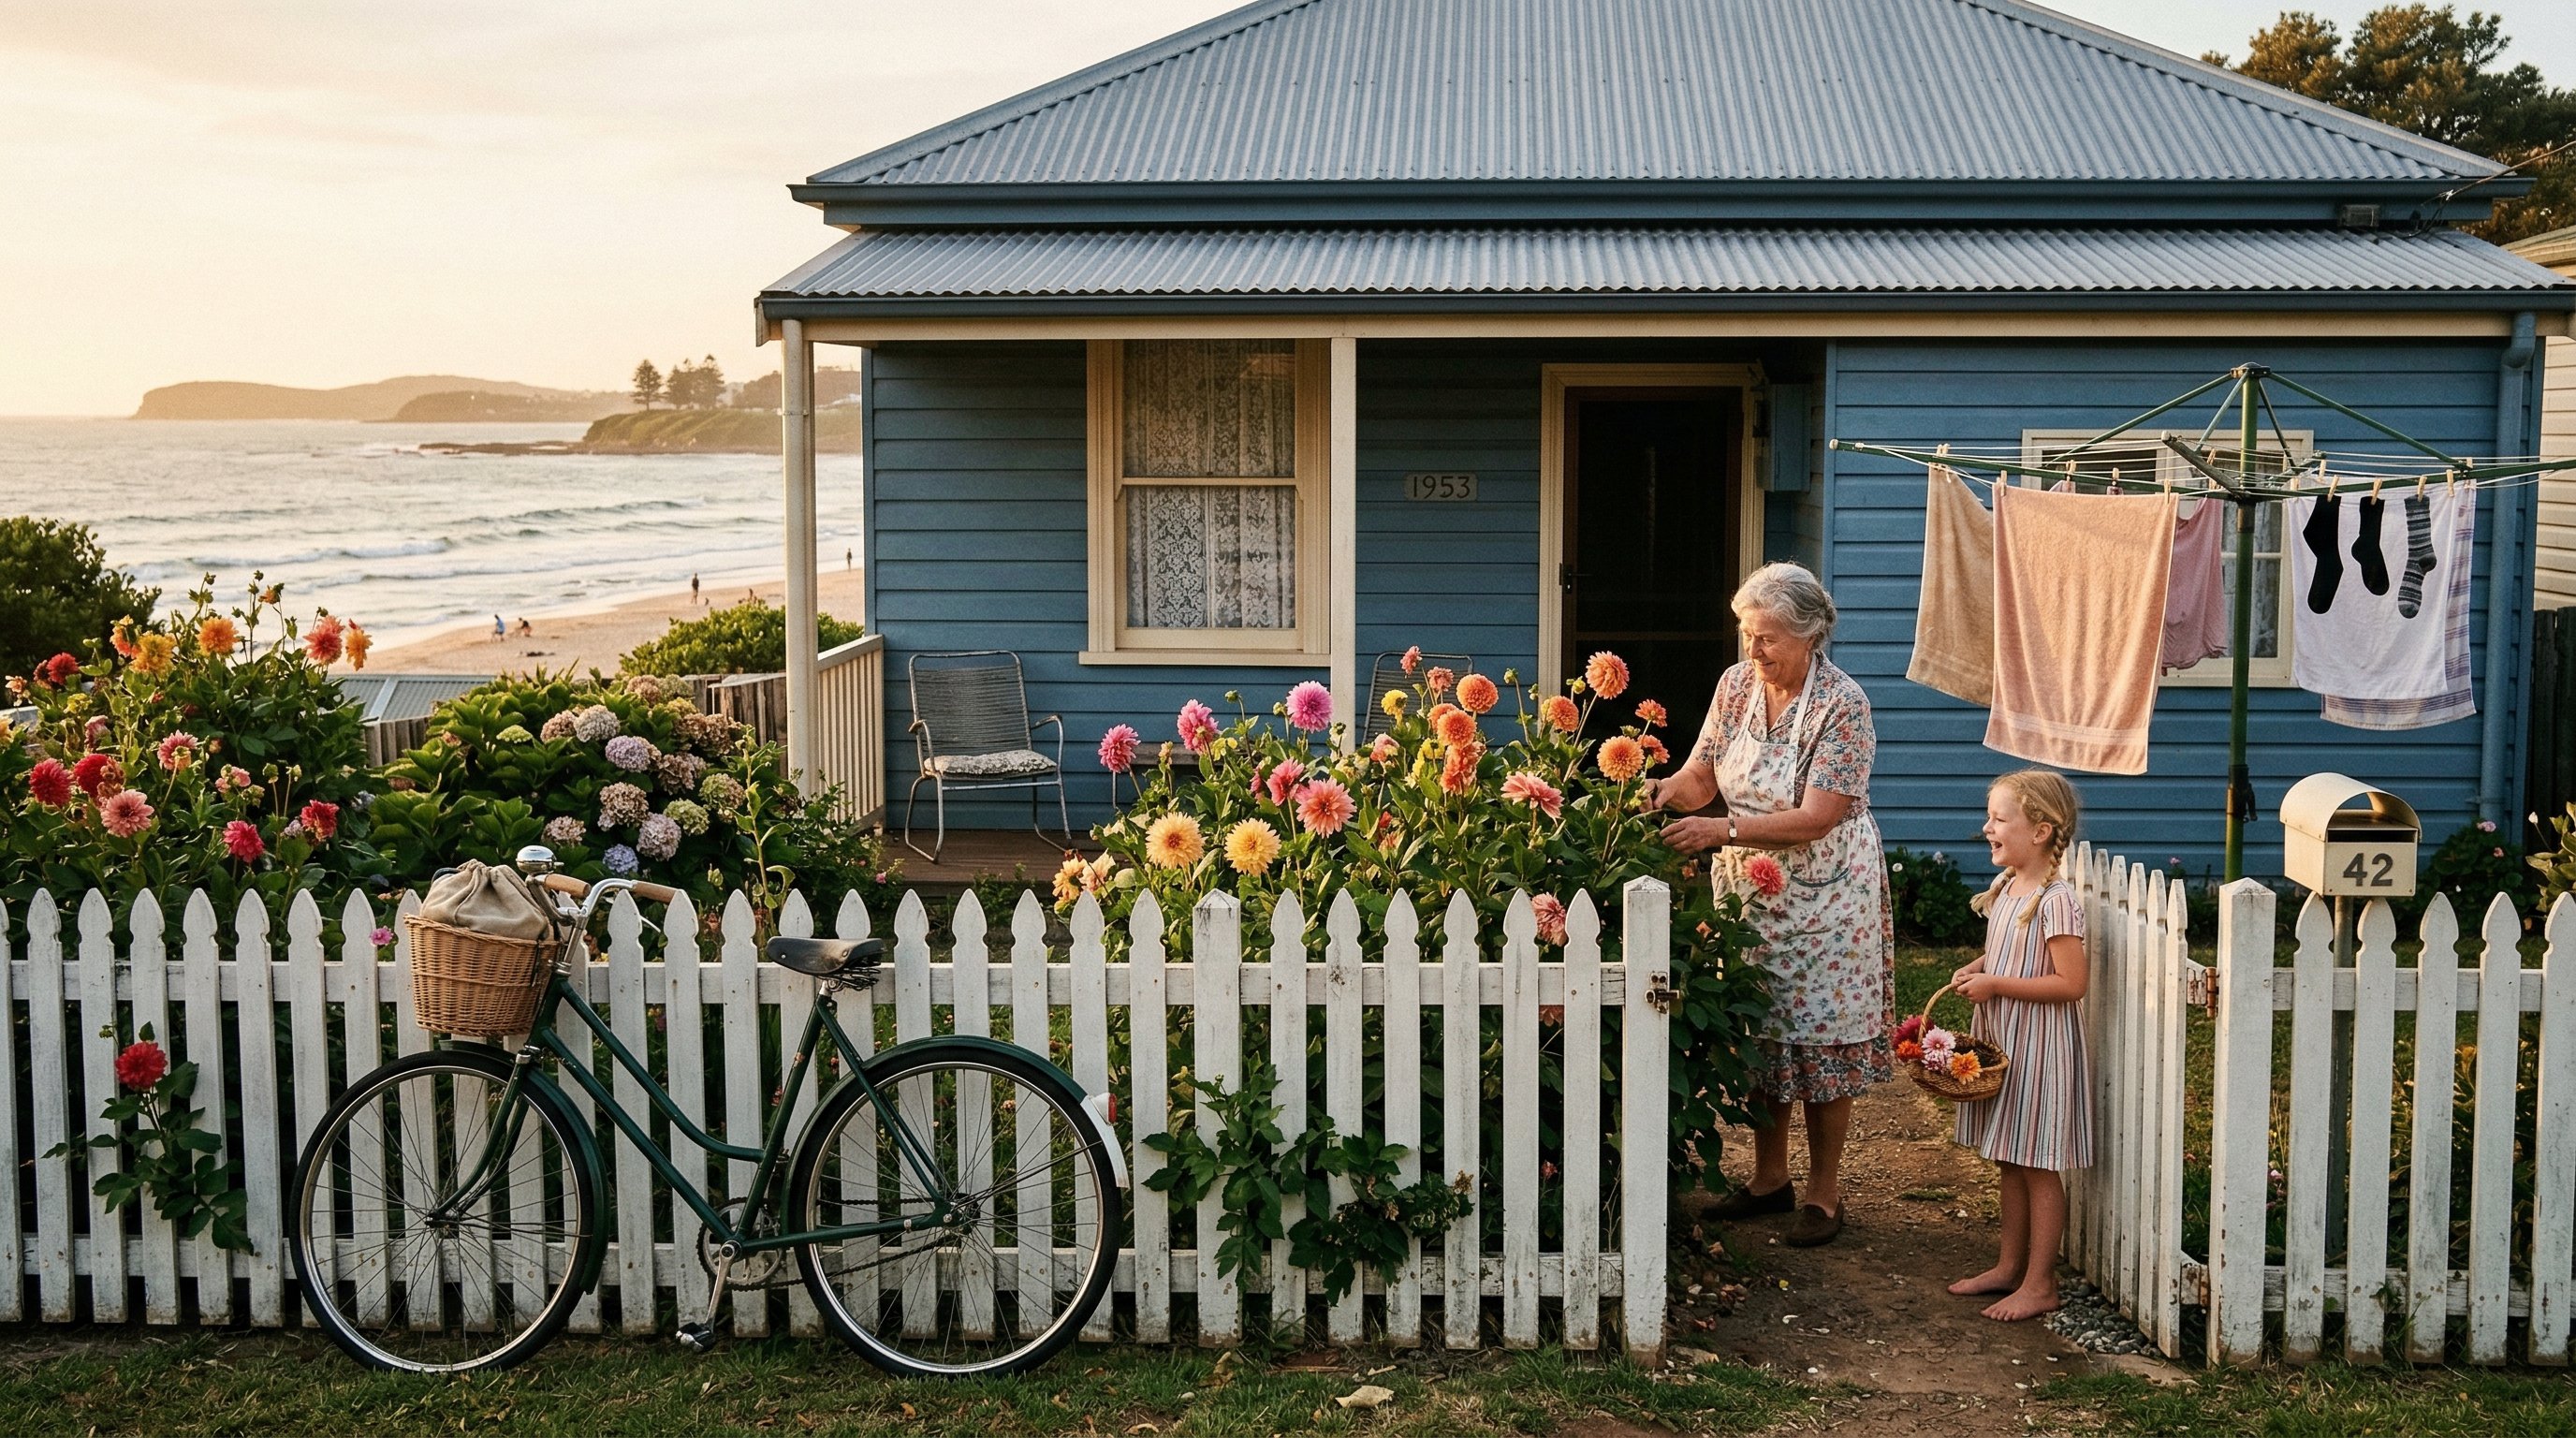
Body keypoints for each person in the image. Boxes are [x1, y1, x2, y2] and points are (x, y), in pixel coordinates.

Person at [1648, 561, 1891, 1248]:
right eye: (1747, 635)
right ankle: (1767, 1179)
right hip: (1751, 888)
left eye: (1768, 639)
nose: (1753, 652)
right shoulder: (1734, 687)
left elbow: (1818, 816)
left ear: (1811, 637)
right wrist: (1662, 792)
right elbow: (1702, 775)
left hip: (1827, 893)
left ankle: (1824, 1192)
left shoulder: (1843, 706)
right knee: (1760, 1032)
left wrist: (1723, 829)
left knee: (1820, 1039)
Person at [1944, 769, 2091, 1321]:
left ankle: (2041, 1282)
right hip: (2008, 1042)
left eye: (2000, 819)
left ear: (2042, 832)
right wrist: (1980, 966)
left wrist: (1997, 984)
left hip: (2042, 1052)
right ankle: (2009, 1268)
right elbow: (2009, 950)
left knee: (2039, 1164)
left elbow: (2071, 984)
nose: (1988, 828)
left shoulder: (2057, 901)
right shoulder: (2008, 888)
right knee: (2010, 1158)